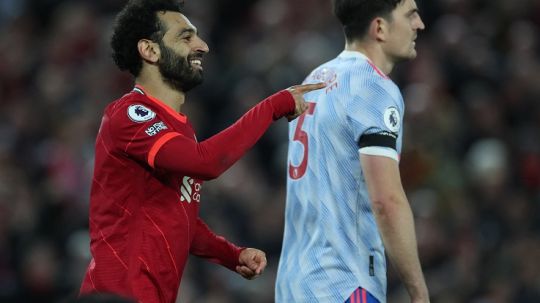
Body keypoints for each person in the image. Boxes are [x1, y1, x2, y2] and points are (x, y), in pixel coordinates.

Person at [78, 0, 324, 302]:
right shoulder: (129, 114)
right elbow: (206, 163)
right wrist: (273, 106)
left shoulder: (179, 131)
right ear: (150, 50)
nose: (203, 46)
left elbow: (179, 220)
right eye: (185, 36)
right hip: (117, 295)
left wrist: (232, 255)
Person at [275, 0, 429, 302]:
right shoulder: (374, 87)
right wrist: (418, 291)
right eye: (410, 15)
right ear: (380, 28)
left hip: (294, 284)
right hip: (344, 282)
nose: (419, 24)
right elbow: (387, 201)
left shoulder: (315, 80)